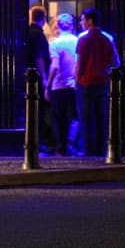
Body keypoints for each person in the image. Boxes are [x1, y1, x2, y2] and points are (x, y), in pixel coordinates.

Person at [74, 8, 120, 157]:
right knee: (101, 119)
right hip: (102, 83)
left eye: (83, 19)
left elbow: (80, 64)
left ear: (90, 21)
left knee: (86, 120)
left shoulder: (83, 39)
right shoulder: (107, 39)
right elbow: (116, 62)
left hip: (85, 84)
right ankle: (101, 151)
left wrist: (76, 81)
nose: (81, 23)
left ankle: (88, 151)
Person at [46, 12, 79, 156]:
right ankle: (71, 143)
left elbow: (55, 66)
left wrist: (48, 85)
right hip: (74, 85)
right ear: (72, 26)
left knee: (59, 119)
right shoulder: (78, 41)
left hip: (58, 86)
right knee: (75, 117)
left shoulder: (55, 43)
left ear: (58, 25)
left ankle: (61, 149)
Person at [22, 5, 51, 152]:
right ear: (43, 19)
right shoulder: (39, 35)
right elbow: (39, 57)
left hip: (29, 77)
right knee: (39, 111)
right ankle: (39, 142)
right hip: (37, 79)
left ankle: (34, 141)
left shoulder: (27, 32)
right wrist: (44, 78)